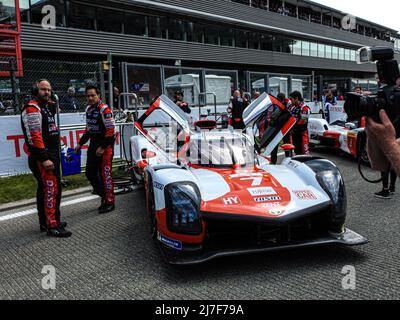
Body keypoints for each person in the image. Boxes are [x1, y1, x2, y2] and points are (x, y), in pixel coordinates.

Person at [21, 80, 72, 237]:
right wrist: (44, 158)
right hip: (44, 157)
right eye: (43, 89)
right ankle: (52, 225)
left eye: (49, 90)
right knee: (51, 190)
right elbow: (35, 136)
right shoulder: (32, 108)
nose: (47, 92)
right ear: (36, 90)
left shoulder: (44, 106)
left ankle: (47, 221)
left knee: (46, 189)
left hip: (50, 154)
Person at [75, 86, 116, 214]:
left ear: (98, 95)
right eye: (88, 96)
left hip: (105, 146)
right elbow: (88, 129)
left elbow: (111, 131)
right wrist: (80, 144)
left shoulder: (105, 109)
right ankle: (104, 195)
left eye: (93, 95)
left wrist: (103, 147)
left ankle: (110, 201)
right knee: (90, 173)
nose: (90, 98)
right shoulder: (88, 109)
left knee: (106, 175)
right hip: (93, 145)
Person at [289, 91, 311, 156]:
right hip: (294, 134)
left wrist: (292, 127)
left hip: (302, 134)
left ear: (296, 98)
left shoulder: (304, 108)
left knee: (305, 153)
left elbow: (302, 121)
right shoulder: (292, 108)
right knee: (295, 153)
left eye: (291, 99)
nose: (290, 101)